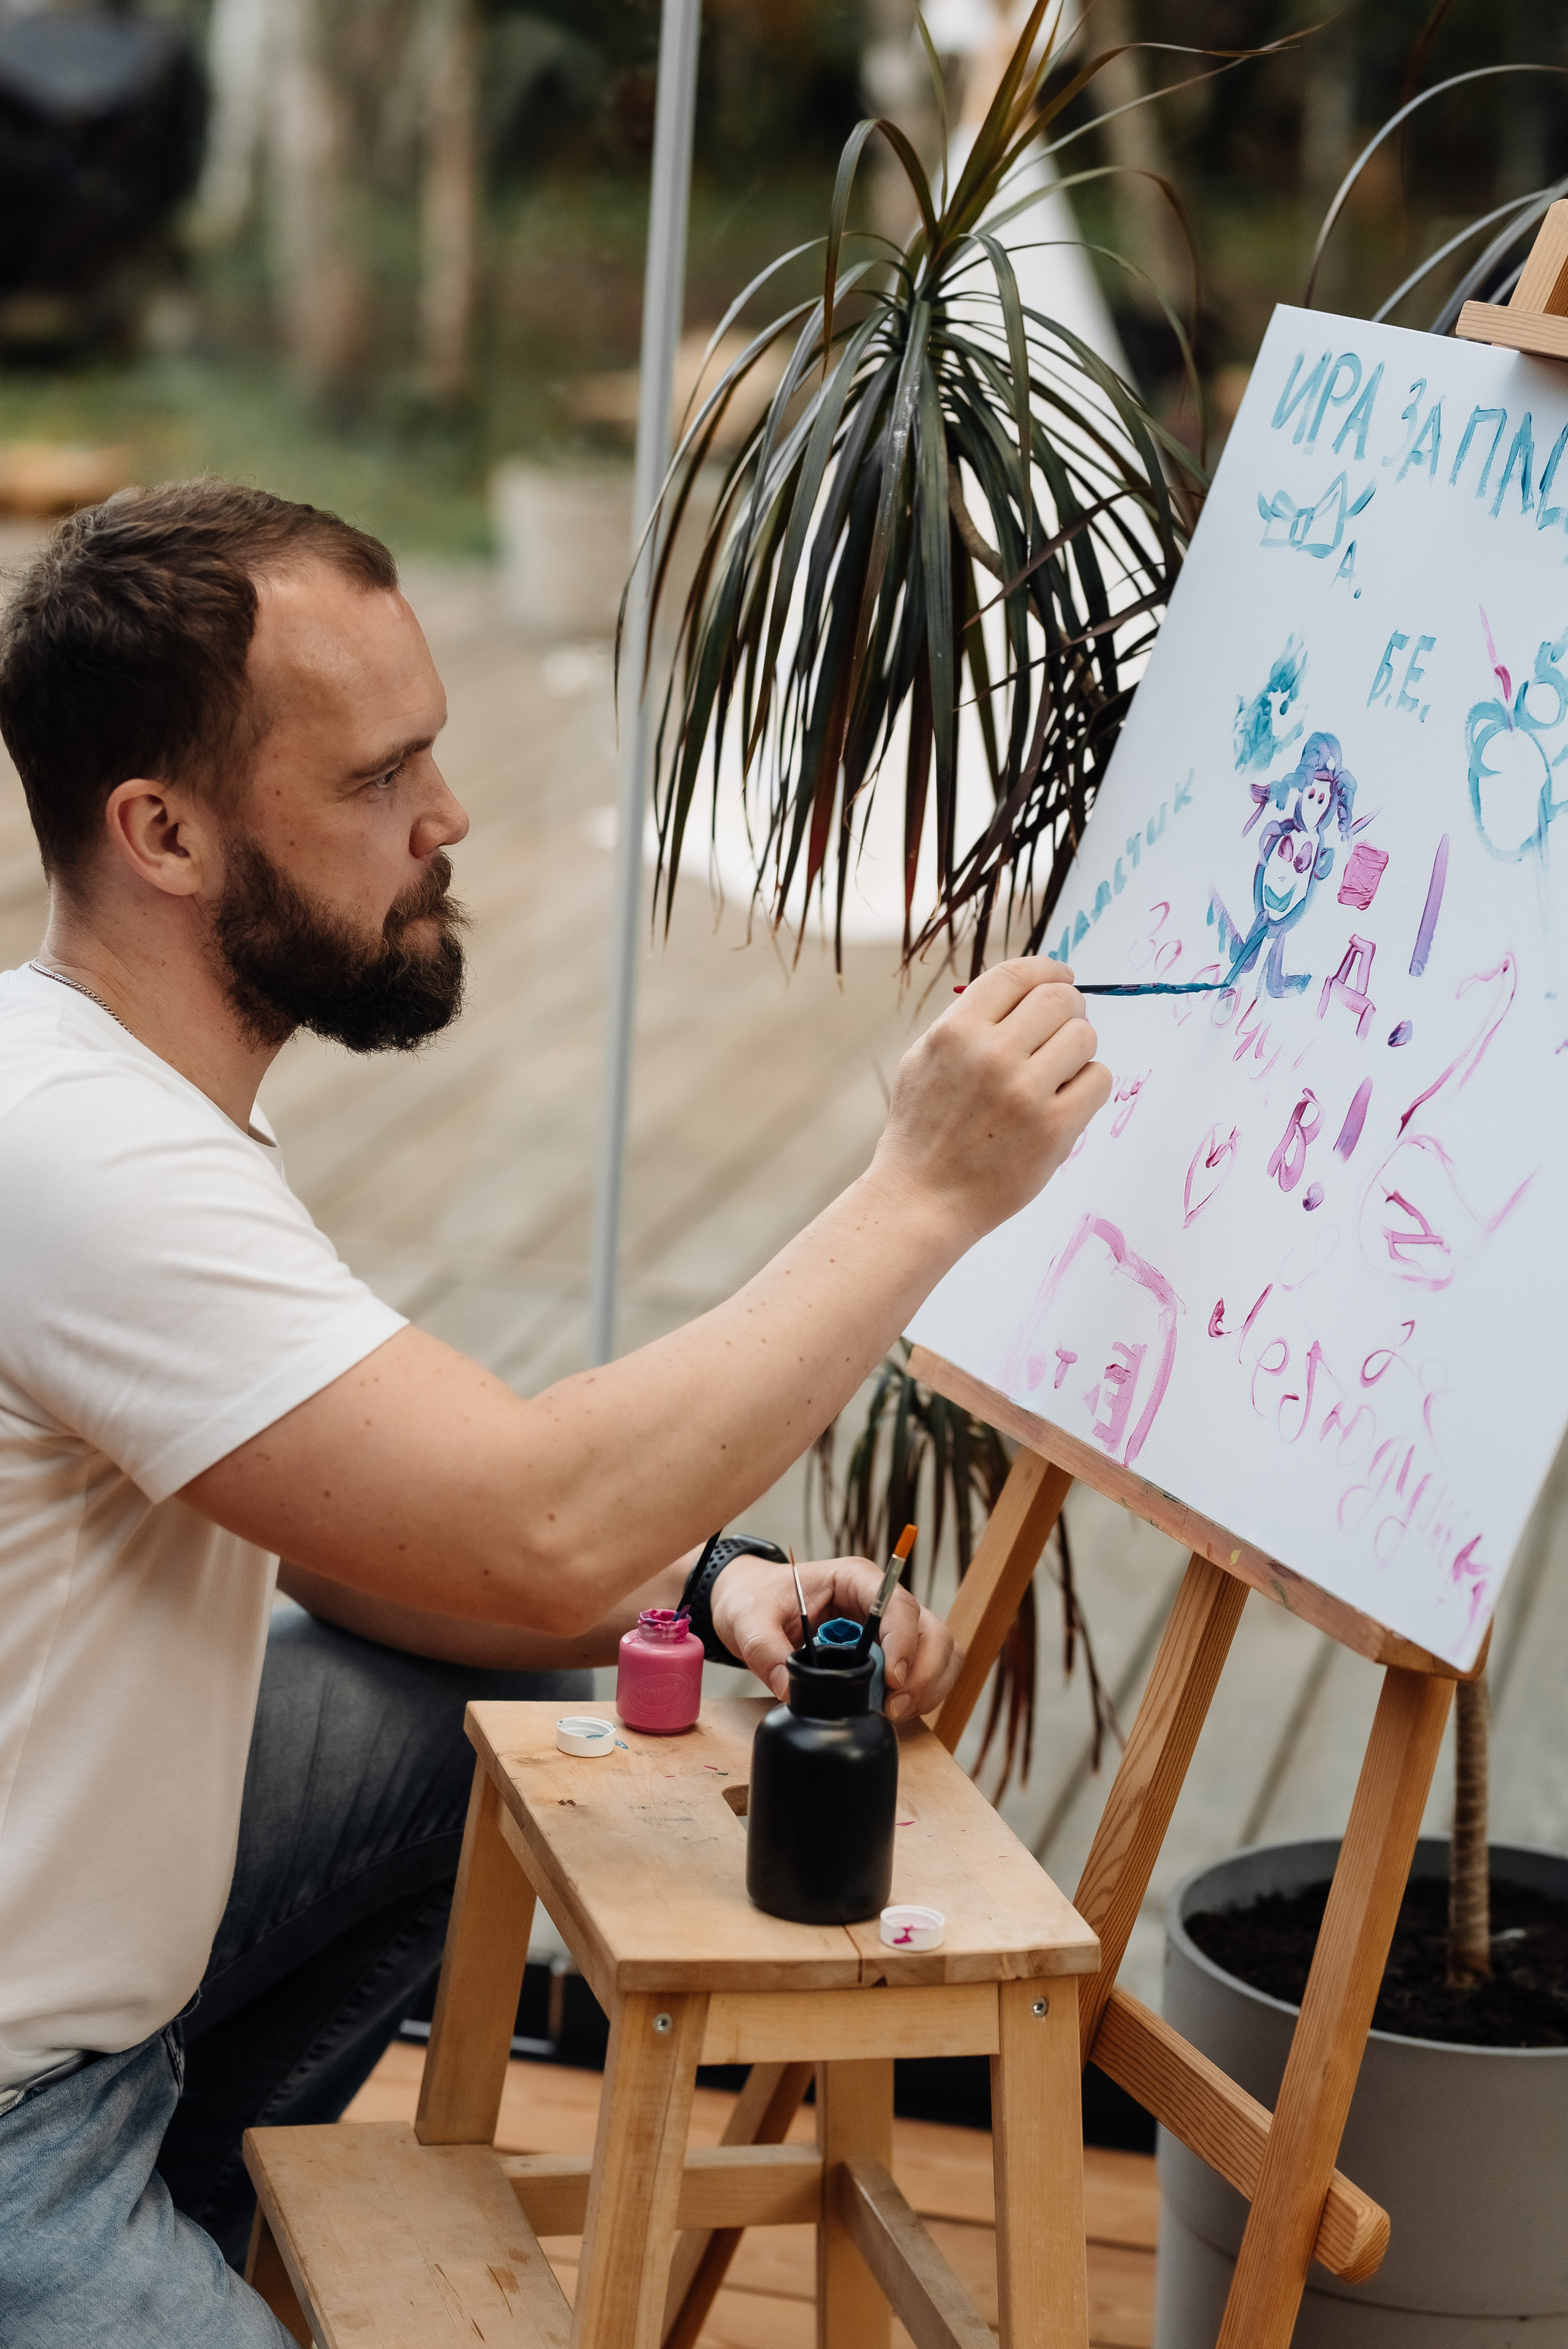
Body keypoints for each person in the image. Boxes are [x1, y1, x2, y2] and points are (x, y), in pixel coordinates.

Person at [0, 480, 1108, 2346]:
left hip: (85, 1974)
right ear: (162, 831)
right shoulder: (89, 1160)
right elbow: (530, 1522)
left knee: (507, 1712)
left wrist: (716, 1582)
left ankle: (182, 2189)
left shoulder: (113, 1096)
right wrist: (925, 1187)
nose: (448, 819)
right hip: (18, 2097)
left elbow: (392, 1549)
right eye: (378, 779)